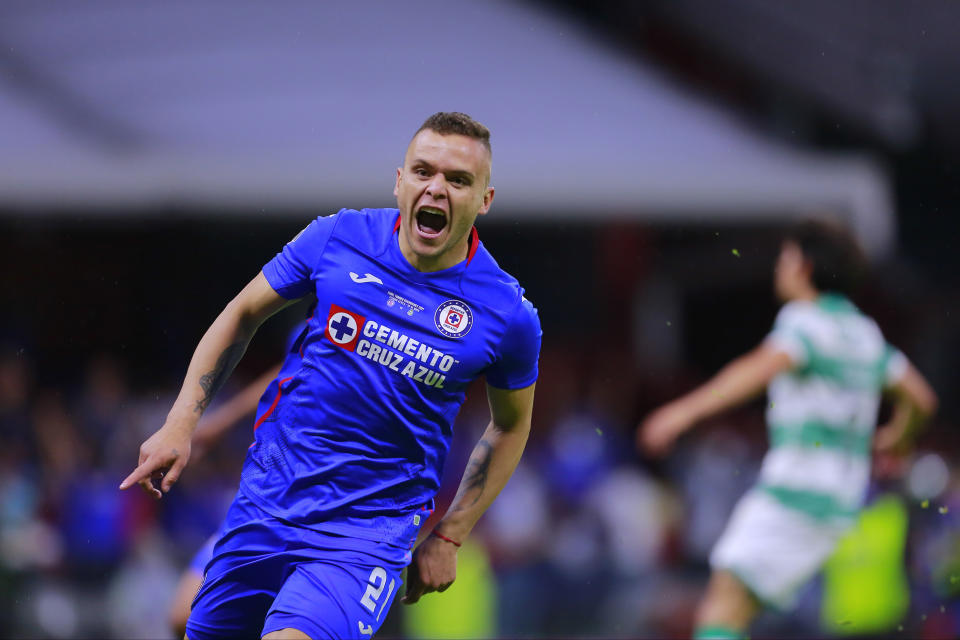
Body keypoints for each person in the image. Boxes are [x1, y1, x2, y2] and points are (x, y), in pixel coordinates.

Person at [121, 111, 542, 640]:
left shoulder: (506, 313)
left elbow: (511, 424)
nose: (436, 188)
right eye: (423, 172)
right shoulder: (337, 237)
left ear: (485, 200)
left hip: (365, 534)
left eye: (458, 180)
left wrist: (452, 535)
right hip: (267, 502)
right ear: (399, 180)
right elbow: (243, 313)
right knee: (184, 618)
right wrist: (181, 420)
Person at [638, 220, 937, 640]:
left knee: (722, 605)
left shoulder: (805, 321)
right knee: (738, 607)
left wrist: (682, 413)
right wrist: (899, 439)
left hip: (796, 491)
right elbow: (922, 399)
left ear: (804, 266)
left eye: (785, 257)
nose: (779, 267)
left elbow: (755, 370)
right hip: (841, 498)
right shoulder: (864, 333)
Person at [168, 311, 311, 638]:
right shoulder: (327, 307)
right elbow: (288, 370)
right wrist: (221, 421)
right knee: (182, 615)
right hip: (268, 491)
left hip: (319, 498)